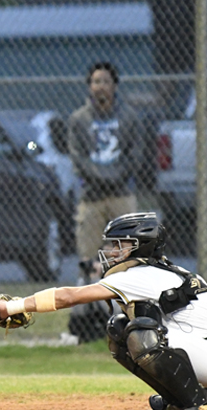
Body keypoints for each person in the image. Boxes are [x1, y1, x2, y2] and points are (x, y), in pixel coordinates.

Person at [0, 212, 207, 410]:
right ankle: (181, 401)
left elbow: (70, 296)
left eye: (118, 245)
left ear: (138, 246)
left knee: (139, 332)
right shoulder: (160, 270)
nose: (109, 251)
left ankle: (204, 406)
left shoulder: (139, 273)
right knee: (121, 327)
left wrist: (11, 307)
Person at [67, 61, 143, 262]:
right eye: (96, 81)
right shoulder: (78, 120)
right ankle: (88, 284)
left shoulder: (129, 117)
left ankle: (126, 290)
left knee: (129, 253)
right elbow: (78, 157)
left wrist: (115, 177)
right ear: (89, 86)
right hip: (92, 194)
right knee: (87, 253)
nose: (101, 86)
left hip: (121, 191)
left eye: (106, 81)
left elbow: (134, 155)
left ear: (115, 85)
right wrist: (99, 177)